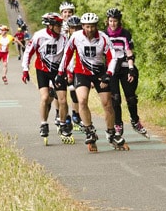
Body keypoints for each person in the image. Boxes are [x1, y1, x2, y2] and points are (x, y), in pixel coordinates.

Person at [58, 12, 125, 150]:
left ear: (96, 26)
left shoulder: (103, 38)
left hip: (100, 73)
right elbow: (67, 55)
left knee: (107, 103)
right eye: (87, 27)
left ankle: (111, 133)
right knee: (82, 100)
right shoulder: (76, 37)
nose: (90, 30)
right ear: (83, 26)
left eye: (92, 27)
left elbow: (113, 57)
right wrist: (60, 73)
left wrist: (109, 73)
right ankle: (89, 131)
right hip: (81, 73)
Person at [22, 13, 73, 144]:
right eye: (57, 25)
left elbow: (69, 55)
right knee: (45, 97)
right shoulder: (39, 36)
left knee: (62, 100)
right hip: (42, 70)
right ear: (50, 26)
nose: (60, 27)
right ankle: (44, 124)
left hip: (58, 71)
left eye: (61, 25)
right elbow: (28, 52)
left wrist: (69, 71)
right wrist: (25, 69)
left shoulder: (63, 38)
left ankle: (62, 124)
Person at [105, 8, 148, 138]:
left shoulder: (125, 33)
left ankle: (135, 121)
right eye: (111, 21)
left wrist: (131, 69)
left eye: (115, 21)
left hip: (124, 67)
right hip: (111, 69)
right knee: (115, 98)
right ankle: (118, 123)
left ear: (119, 21)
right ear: (107, 21)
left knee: (131, 97)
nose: (112, 24)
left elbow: (129, 52)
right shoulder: (103, 35)